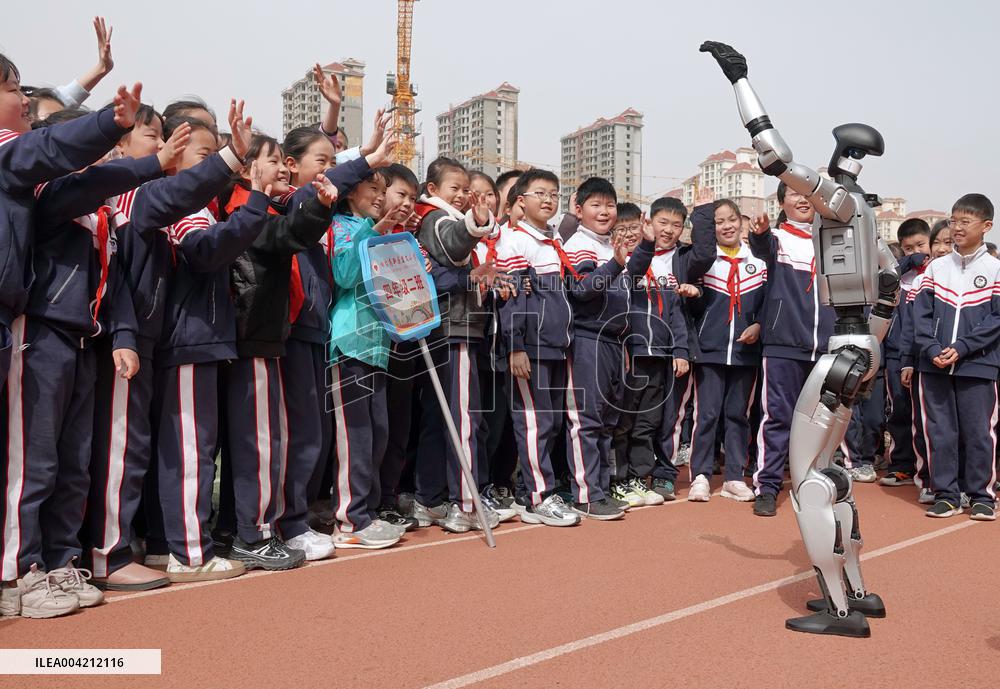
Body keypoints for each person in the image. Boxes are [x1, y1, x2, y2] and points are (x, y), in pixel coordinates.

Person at [215, 135, 341, 563]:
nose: (283, 169)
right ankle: (257, 533)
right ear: (246, 168)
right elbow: (285, 236)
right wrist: (320, 205)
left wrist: (320, 207)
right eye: (273, 161)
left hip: (267, 336)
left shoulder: (261, 207)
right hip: (254, 336)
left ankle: (250, 528)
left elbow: (289, 231)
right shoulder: (243, 207)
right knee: (262, 442)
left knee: (269, 439)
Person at [410, 158, 507, 532]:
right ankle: (465, 504)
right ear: (433, 190)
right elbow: (453, 244)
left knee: (439, 418)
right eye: (456, 188)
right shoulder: (438, 219)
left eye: (467, 189)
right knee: (464, 418)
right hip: (455, 330)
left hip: (443, 330)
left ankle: (429, 498)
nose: (464, 195)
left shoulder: (429, 219)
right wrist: (475, 224)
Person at [495, 169, 581, 526]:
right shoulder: (515, 242)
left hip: (555, 346)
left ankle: (530, 490)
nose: (548, 200)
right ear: (520, 201)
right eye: (540, 193)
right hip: (530, 348)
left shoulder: (551, 240)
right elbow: (511, 300)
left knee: (549, 423)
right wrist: (516, 347)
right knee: (533, 422)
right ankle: (538, 497)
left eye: (554, 194)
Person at [328, 166, 405, 549]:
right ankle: (350, 519)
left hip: (378, 345)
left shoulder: (381, 232)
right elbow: (343, 274)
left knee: (377, 433)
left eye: (382, 189)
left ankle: (367, 513)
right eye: (372, 188)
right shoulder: (340, 227)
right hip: (349, 342)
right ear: (349, 192)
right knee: (355, 436)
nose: (379, 195)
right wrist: (374, 231)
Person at [747, 182, 836, 517]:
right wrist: (759, 233)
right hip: (783, 345)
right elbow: (761, 247)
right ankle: (767, 487)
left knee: (824, 422)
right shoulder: (777, 239)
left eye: (808, 193)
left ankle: (816, 484)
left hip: (827, 349)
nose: (803, 199)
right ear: (782, 201)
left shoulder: (832, 239)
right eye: (794, 193)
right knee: (777, 417)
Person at [912, 194, 999, 521]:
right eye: (953, 221)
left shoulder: (995, 269)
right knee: (940, 433)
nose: (957, 228)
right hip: (933, 366)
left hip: (978, 365)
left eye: (965, 221)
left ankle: (982, 495)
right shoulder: (935, 268)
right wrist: (932, 349)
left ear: (986, 226)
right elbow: (920, 316)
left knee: (979, 433)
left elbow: (997, 319)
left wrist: (962, 347)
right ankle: (946, 494)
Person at [682, 197, 767, 502]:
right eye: (719, 222)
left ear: (741, 221)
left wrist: (759, 325)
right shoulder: (704, 261)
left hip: (746, 353)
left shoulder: (758, 261)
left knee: (737, 415)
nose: (727, 226)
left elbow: (769, 301)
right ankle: (701, 475)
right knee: (706, 415)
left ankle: (734, 476)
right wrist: (703, 213)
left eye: (732, 219)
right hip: (710, 351)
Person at [880, 219, 930, 487]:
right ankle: (901, 465)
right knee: (899, 410)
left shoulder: (936, 273)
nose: (916, 252)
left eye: (921, 245)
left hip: (925, 356)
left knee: (925, 416)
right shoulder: (897, 275)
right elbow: (885, 275)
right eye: (909, 248)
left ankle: (928, 468)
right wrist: (908, 261)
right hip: (896, 354)